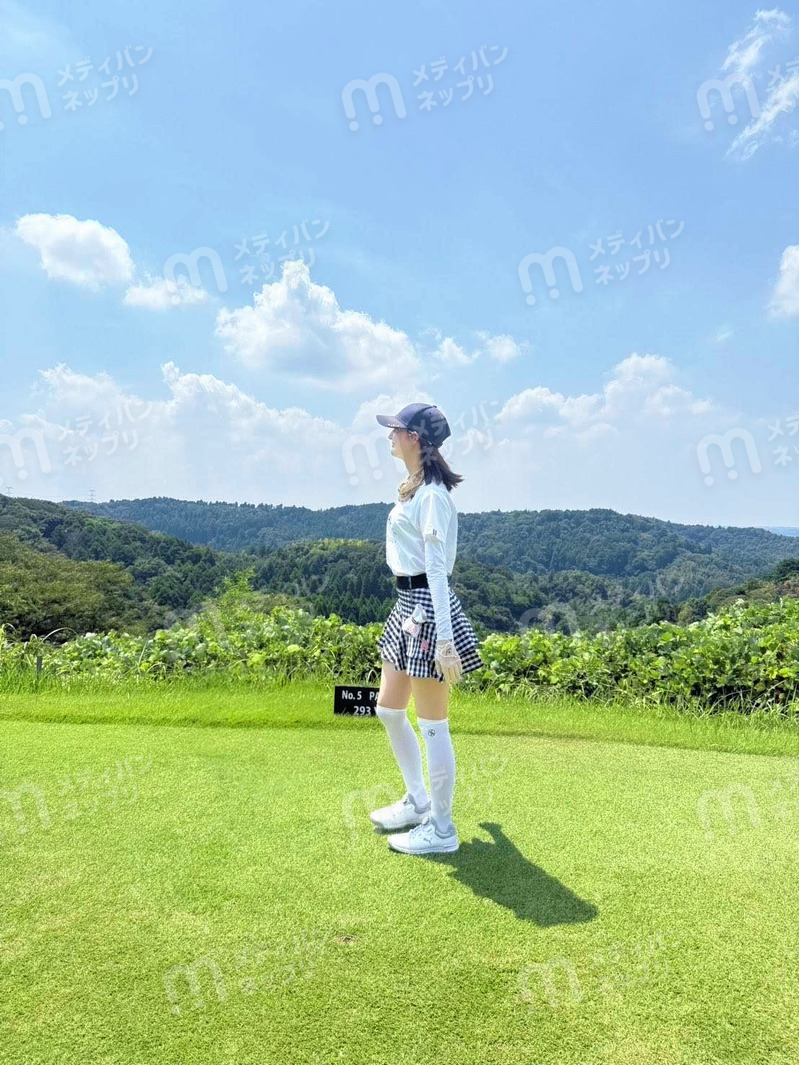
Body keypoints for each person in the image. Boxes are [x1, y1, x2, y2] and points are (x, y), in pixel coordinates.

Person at [369, 402, 483, 855]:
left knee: (433, 725)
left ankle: (441, 828)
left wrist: (445, 640)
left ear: (414, 438)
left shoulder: (432, 495)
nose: (390, 436)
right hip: (407, 606)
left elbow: (436, 569)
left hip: (427, 610)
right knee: (388, 709)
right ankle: (418, 801)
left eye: (396, 430)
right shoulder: (416, 489)